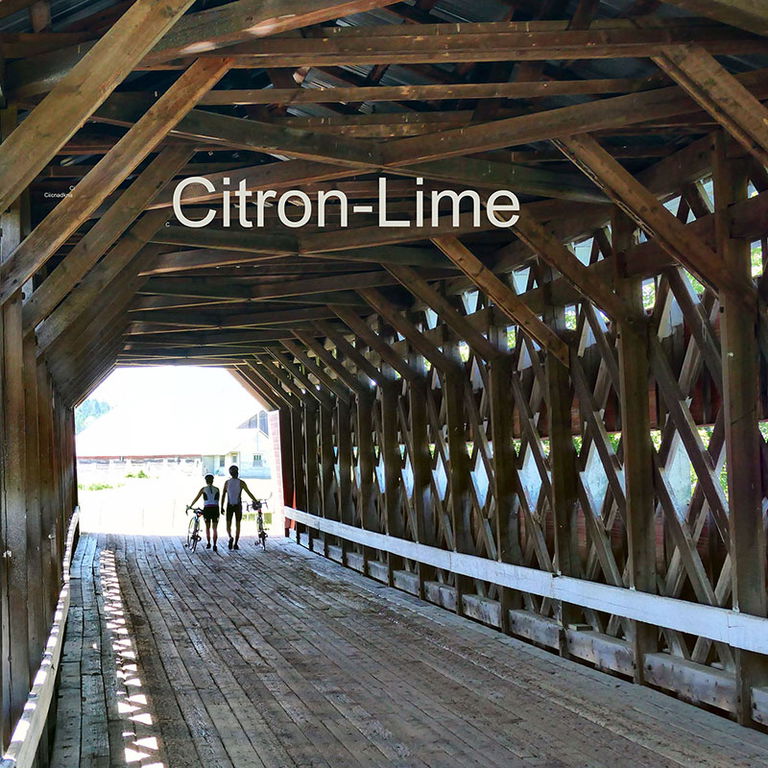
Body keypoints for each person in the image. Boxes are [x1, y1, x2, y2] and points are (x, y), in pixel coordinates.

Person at [222, 465, 257, 550]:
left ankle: (230, 537)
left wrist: (221, 507)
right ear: (237, 473)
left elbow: (223, 495)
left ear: (230, 473)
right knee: (238, 525)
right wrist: (255, 500)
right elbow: (249, 493)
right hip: (238, 505)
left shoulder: (227, 482)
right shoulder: (241, 483)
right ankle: (236, 544)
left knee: (228, 524)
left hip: (229, 505)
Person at [188, 474, 220, 551]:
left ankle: (209, 543)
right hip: (215, 508)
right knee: (215, 528)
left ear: (206, 481)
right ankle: (215, 545)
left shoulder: (203, 489)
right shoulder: (217, 489)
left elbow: (196, 498)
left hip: (207, 508)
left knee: (208, 528)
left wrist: (190, 506)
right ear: (213, 480)